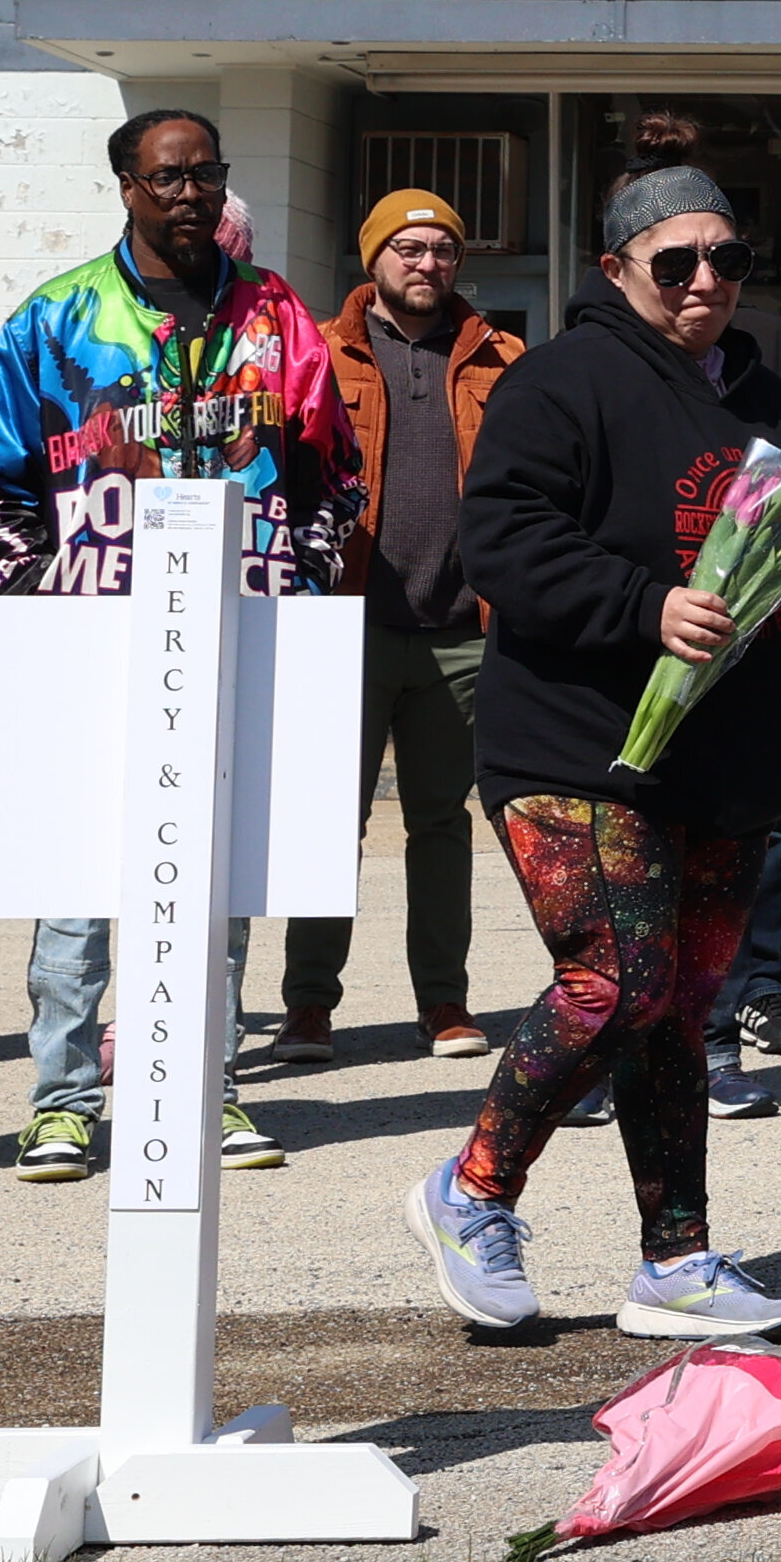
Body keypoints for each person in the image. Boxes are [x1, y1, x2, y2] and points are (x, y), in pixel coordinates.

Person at [399, 147, 781, 1340]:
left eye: (727, 257)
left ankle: (676, 1261)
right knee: (620, 980)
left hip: (726, 756)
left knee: (684, 1004)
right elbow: (502, 544)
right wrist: (642, 605)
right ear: (619, 266)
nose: (706, 279)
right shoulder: (558, 382)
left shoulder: (769, 395)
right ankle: (471, 1190)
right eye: (677, 259)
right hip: (576, 742)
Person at [0, 109, 359, 1183]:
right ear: (126, 186)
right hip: (92, 640)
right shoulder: (56, 319)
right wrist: (35, 589)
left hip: (239, 631)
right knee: (79, 878)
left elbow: (338, 473)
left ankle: (204, 1087)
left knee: (219, 872)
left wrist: (306, 572)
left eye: (206, 175)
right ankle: (62, 1101)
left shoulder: (279, 317)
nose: (189, 194)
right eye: (167, 177)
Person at [270, 192, 522, 1068]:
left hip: (460, 628)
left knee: (443, 823)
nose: (427, 264)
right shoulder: (319, 352)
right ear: (372, 259)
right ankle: (308, 1004)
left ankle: (443, 1002)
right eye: (409, 248)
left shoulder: (501, 358)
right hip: (349, 626)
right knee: (328, 822)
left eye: (444, 250)